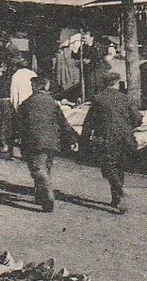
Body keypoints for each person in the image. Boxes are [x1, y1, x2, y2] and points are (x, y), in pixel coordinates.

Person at [15, 76, 78, 213]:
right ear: (46, 87)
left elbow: (18, 125)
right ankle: (40, 195)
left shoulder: (26, 104)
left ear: (33, 87)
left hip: (33, 142)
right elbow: (63, 123)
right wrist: (72, 139)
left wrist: (13, 139)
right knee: (45, 168)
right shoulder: (52, 103)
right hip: (51, 142)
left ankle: (47, 196)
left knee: (38, 170)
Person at [81, 72, 142, 214]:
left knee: (108, 166)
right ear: (116, 83)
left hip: (105, 137)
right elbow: (137, 119)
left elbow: (89, 122)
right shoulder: (125, 98)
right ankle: (116, 198)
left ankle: (119, 191)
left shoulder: (98, 99)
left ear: (104, 83)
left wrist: (84, 140)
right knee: (119, 166)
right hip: (125, 138)